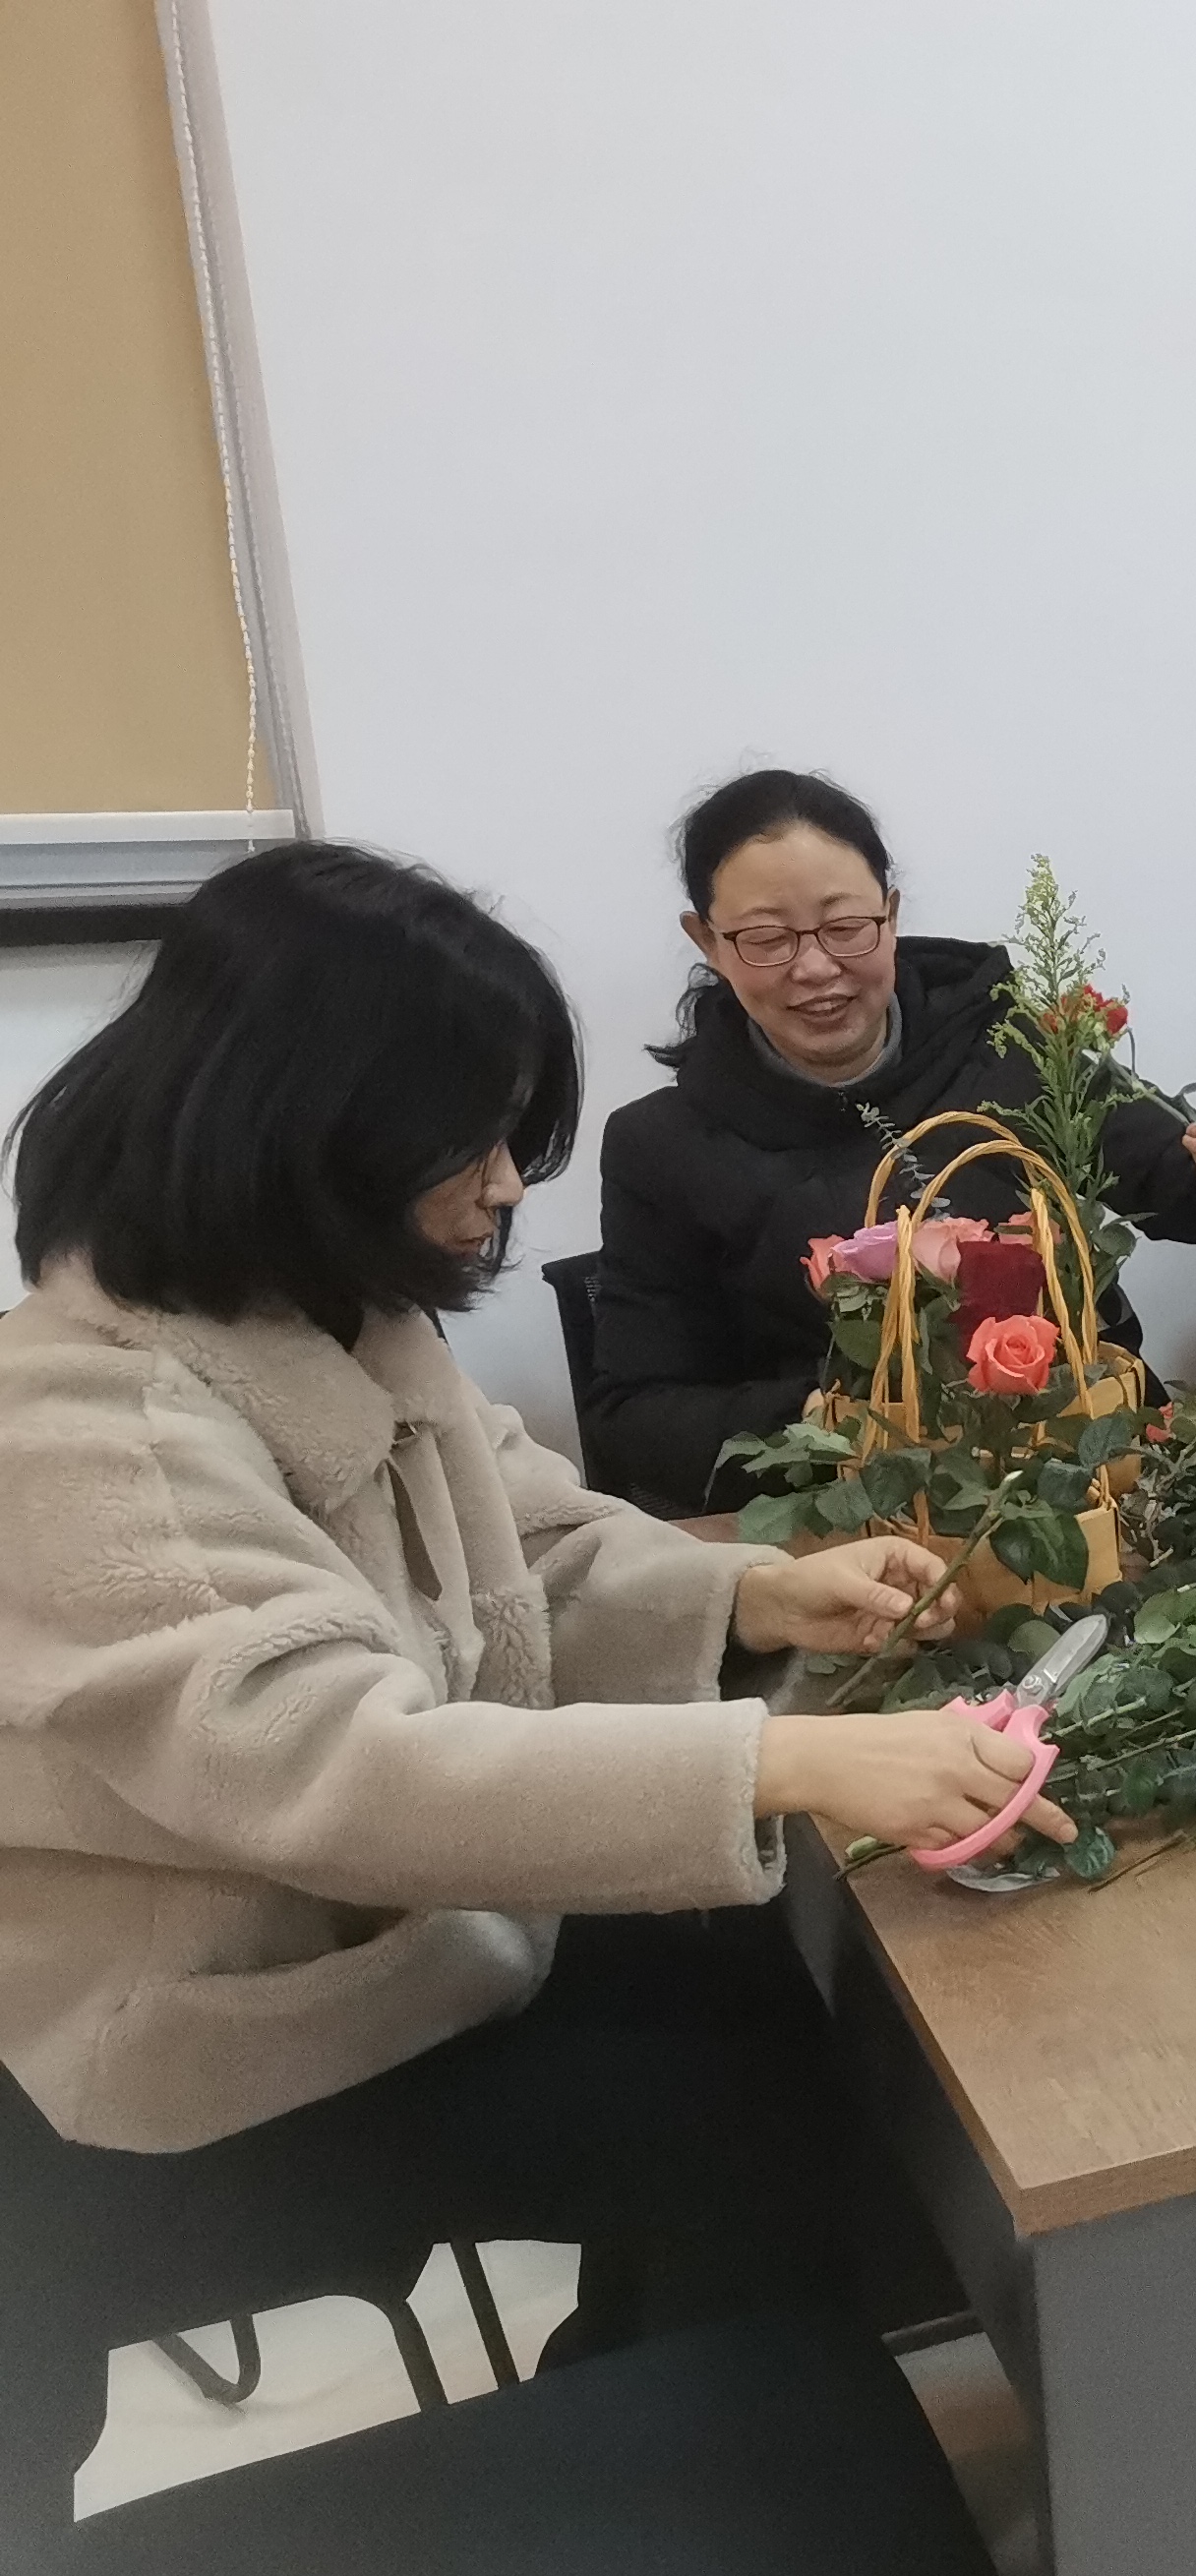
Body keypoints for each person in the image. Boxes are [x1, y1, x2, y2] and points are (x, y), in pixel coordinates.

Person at [0, 843, 1067, 2380]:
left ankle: (712, 2385)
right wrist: (783, 1761)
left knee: (793, 1996)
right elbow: (337, 1765)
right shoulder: (90, 1425)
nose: (506, 1184)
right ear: (302, 1123)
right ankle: (712, 2435)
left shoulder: (331, 1318)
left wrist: (756, 1590)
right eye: (473, 1140)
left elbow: (531, 1550)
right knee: (757, 2105)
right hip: (232, 2050)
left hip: (406, 1943)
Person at [585, 768, 1196, 1515]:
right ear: (707, 940)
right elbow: (633, 1416)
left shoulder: (1013, 1048)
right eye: (766, 939)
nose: (815, 967)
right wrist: (830, 1422)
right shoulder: (661, 1146)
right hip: (862, 1524)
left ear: (891, 915)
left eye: (844, 927)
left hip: (1096, 1487)